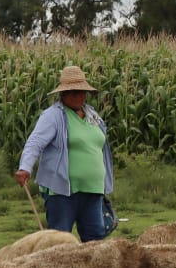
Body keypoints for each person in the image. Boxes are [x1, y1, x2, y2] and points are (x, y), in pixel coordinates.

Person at [15, 65, 114, 238]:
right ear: (63, 94)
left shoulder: (92, 115)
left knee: (95, 244)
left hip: (93, 191)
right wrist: (25, 167)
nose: (79, 96)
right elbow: (35, 142)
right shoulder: (53, 116)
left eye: (82, 92)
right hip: (62, 193)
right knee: (59, 242)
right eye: (73, 92)